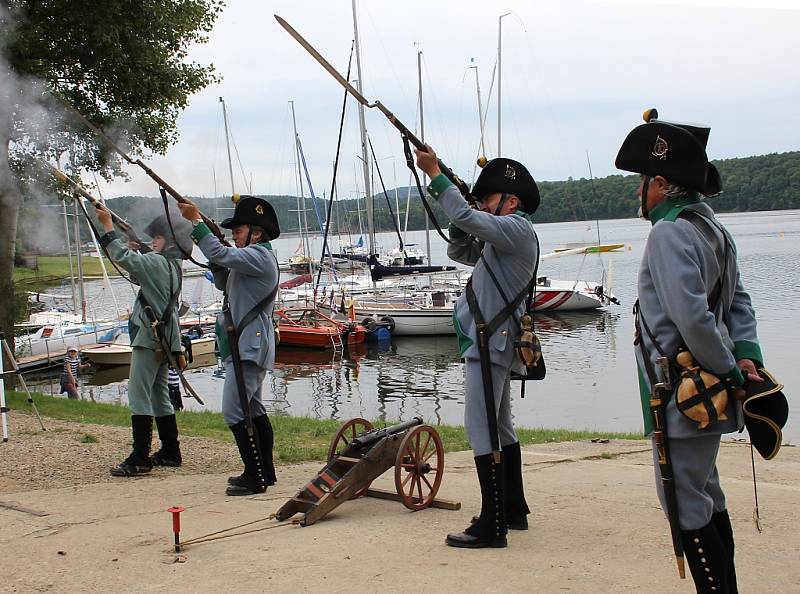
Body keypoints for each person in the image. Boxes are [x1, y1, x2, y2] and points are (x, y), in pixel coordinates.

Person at [615, 110, 763, 593]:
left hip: (684, 391)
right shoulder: (713, 229)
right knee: (707, 494)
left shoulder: (669, 232)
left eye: (643, 182)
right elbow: (737, 306)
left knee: (685, 502)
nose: (640, 191)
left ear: (660, 184)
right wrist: (744, 358)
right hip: (708, 386)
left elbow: (693, 318)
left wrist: (731, 371)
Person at [415, 146, 540, 549]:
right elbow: (462, 248)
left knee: (480, 428)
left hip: (491, 341)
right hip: (492, 341)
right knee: (500, 426)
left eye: (490, 199)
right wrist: (460, 222)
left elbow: (467, 217)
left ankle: (492, 523)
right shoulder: (504, 236)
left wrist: (436, 175)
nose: (484, 204)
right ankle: (513, 509)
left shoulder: (517, 228)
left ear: (512, 201)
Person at [178, 196, 280, 496]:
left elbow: (219, 251)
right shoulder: (253, 257)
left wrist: (196, 223)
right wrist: (217, 259)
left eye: (239, 229)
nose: (235, 234)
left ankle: (254, 475)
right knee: (253, 409)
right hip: (247, 343)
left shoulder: (259, 256)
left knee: (234, 412)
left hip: (249, 344)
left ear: (257, 233)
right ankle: (265, 472)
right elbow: (225, 280)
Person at [96, 206, 192, 476]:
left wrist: (107, 226)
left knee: (139, 394)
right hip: (163, 339)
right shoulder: (173, 265)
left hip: (149, 338)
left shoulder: (159, 262)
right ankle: (171, 451)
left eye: (158, 238)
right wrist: (140, 249)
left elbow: (122, 258)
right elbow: (140, 275)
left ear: (171, 242)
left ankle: (139, 457)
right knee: (159, 394)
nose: (154, 242)